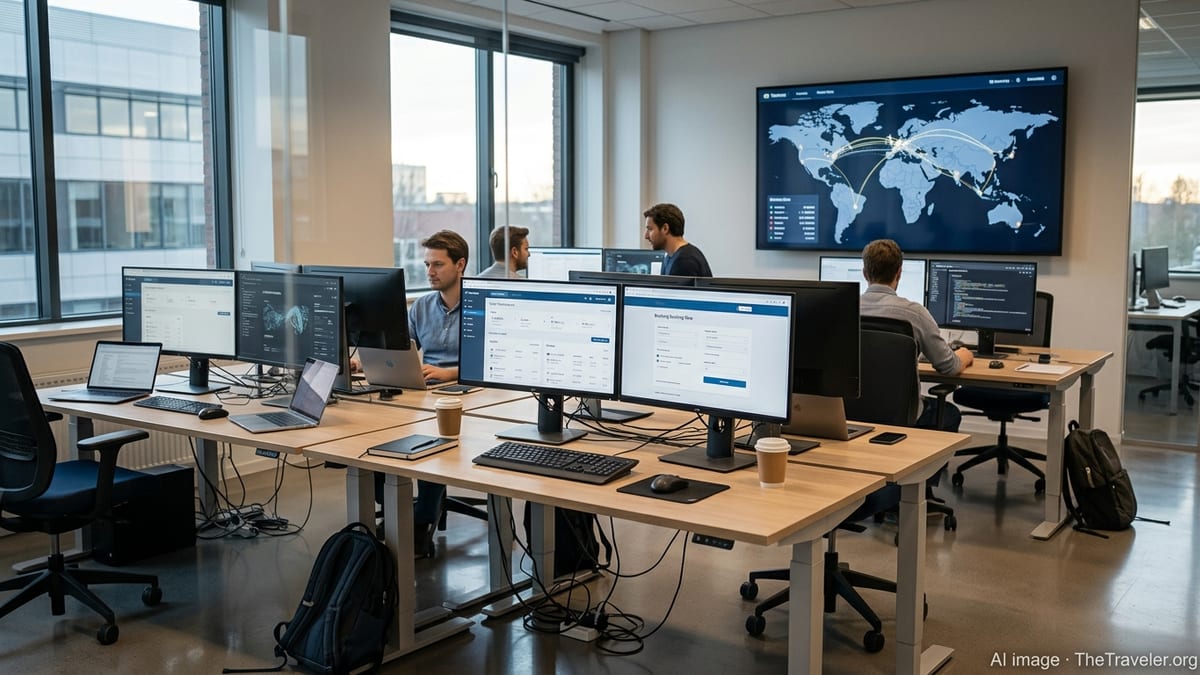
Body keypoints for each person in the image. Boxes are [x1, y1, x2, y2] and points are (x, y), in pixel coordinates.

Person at [383, 229, 469, 556]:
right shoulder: (421, 307)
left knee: (431, 441)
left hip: (471, 394)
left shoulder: (481, 305)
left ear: (460, 265)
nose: (429, 272)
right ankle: (398, 508)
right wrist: (371, 361)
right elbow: (400, 348)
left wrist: (450, 373)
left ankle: (420, 522)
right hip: (427, 393)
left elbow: (492, 363)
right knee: (385, 431)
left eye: (437, 264)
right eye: (426, 264)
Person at [858, 238, 973, 431]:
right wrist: (964, 355)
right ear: (899, 273)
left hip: (852, 412)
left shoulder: (844, 309)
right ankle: (931, 462)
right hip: (901, 414)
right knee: (950, 413)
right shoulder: (915, 314)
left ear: (864, 273)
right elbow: (949, 367)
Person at [643, 203, 712, 277]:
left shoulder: (685, 261)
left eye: (650, 229)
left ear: (665, 228)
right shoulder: (670, 256)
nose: (646, 236)